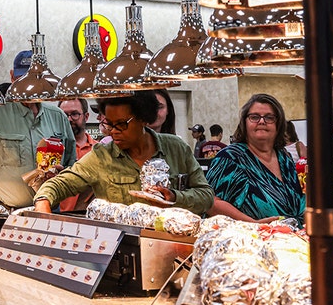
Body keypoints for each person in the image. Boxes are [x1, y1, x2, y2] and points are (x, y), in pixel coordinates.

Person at [33, 91, 213, 215]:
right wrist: (43, 203)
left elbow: (206, 196)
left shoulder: (176, 149)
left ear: (143, 118)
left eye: (121, 124)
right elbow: (60, 184)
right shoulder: (101, 156)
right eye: (109, 124)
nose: (113, 131)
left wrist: (174, 197)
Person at [0, 53, 76, 210]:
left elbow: (72, 167)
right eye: (23, 80)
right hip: (8, 213)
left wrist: (61, 177)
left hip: (50, 212)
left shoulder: (58, 116)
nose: (29, 87)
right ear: (12, 77)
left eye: (34, 81)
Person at [206, 93, 304, 222]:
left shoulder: (285, 158)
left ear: (278, 124)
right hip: (248, 238)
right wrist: (253, 224)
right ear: (244, 123)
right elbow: (210, 203)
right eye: (254, 117)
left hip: (291, 237)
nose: (262, 121)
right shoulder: (230, 157)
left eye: (269, 117)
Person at [58, 98, 97, 212]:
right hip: (56, 216)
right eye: (64, 115)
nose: (69, 119)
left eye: (74, 114)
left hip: (87, 218)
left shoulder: (99, 151)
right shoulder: (50, 150)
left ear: (86, 116)